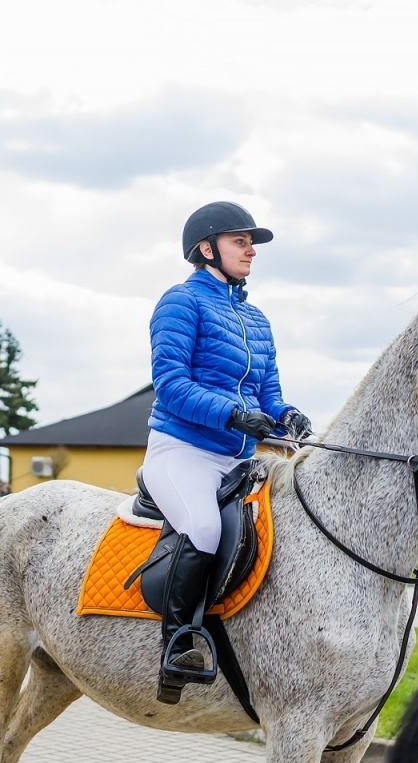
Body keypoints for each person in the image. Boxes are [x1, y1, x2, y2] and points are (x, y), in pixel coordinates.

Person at [144, 201, 313, 701]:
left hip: (239, 459)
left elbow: (269, 395)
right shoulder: (180, 302)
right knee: (203, 526)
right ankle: (178, 644)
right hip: (183, 451)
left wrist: (287, 416)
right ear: (206, 248)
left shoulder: (257, 319)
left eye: (252, 243)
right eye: (241, 241)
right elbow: (170, 385)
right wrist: (233, 414)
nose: (251, 251)